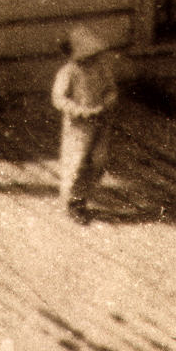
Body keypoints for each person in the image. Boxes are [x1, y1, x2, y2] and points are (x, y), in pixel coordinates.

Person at [50, 23, 121, 221]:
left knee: (98, 158)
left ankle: (85, 196)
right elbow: (59, 98)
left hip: (101, 119)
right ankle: (73, 201)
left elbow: (110, 89)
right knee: (77, 161)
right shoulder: (69, 72)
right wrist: (78, 111)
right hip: (78, 126)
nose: (91, 59)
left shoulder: (101, 69)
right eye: (87, 56)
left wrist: (107, 102)